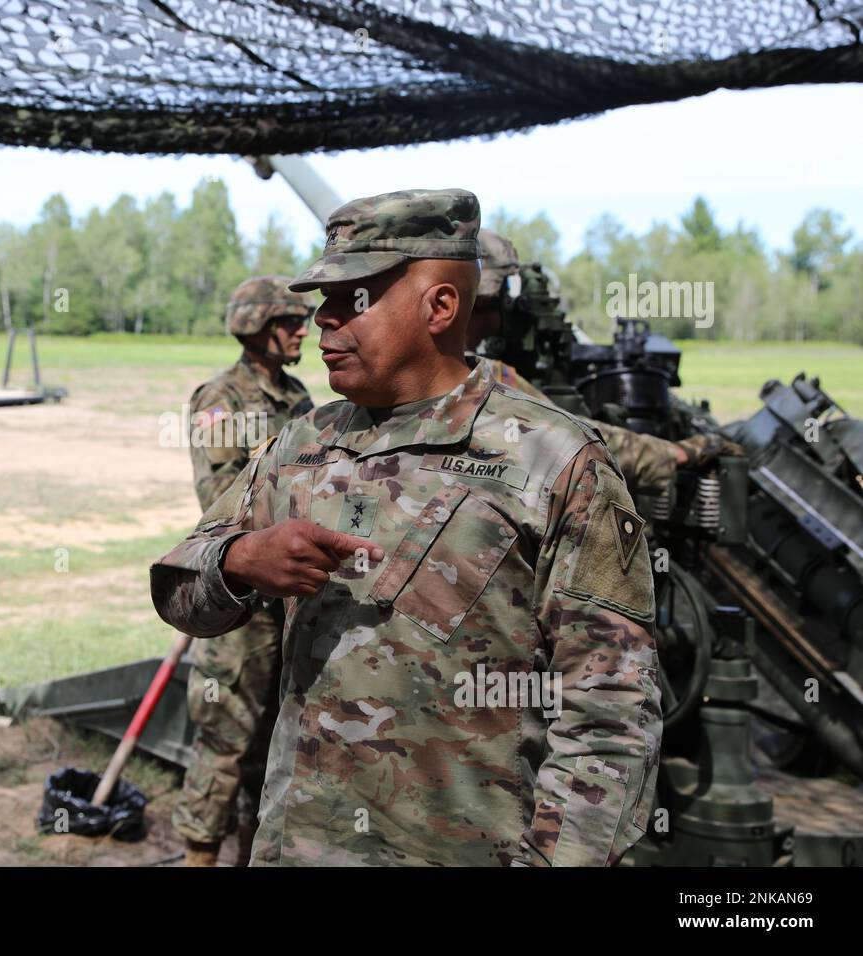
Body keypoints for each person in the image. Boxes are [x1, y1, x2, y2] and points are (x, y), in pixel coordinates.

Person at [150, 189, 661, 866]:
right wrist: (241, 560)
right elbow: (179, 589)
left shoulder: (555, 460)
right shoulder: (301, 444)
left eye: (350, 299)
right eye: (320, 301)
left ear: (440, 307)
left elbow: (611, 713)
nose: (324, 321)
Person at [176, 276, 313, 866]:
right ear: (255, 327)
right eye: (289, 321)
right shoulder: (221, 399)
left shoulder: (301, 397)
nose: (303, 329)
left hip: (288, 601)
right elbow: (223, 495)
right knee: (223, 741)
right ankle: (199, 854)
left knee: (272, 746)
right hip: (241, 602)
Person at [469, 230, 737, 497]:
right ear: (489, 297)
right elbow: (573, 439)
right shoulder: (484, 377)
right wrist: (679, 453)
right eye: (505, 291)